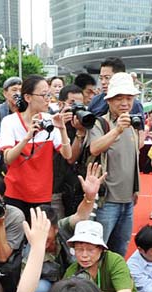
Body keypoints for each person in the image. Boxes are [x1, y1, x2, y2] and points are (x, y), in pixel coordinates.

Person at [25, 163, 104, 292]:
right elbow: (24, 284)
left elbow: (81, 215)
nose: (40, 237)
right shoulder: (30, 245)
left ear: (55, 227)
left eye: (45, 232)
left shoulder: (63, 226)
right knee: (39, 289)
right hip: (49, 286)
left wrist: (89, 197)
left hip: (72, 277)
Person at [87, 72, 144, 256]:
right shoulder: (100, 123)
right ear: (109, 100)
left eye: (129, 98)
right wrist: (117, 129)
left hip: (128, 199)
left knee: (120, 251)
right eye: (119, 98)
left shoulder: (133, 124)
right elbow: (94, 148)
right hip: (106, 201)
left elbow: (133, 158)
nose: (125, 103)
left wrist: (136, 189)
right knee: (99, 249)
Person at [1, 75, 72, 218]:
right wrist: (27, 137)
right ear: (28, 97)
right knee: (16, 237)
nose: (48, 99)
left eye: (49, 94)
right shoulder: (10, 122)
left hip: (42, 194)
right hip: (15, 192)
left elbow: (67, 155)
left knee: (40, 238)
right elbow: (8, 158)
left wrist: (62, 129)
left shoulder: (50, 120)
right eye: (44, 95)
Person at [52, 84, 93, 218]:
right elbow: (70, 158)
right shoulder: (51, 123)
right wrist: (61, 127)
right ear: (60, 104)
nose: (77, 109)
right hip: (58, 186)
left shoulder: (87, 122)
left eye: (80, 105)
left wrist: (82, 129)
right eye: (72, 104)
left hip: (79, 187)